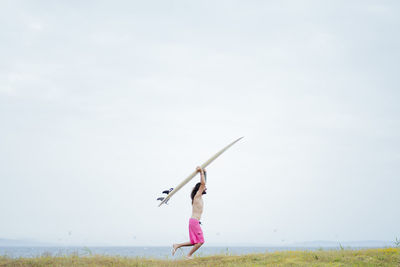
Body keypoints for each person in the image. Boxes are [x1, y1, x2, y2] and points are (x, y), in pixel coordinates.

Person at [172, 166, 207, 259]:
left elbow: (203, 184)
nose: (206, 188)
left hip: (193, 221)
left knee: (194, 242)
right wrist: (201, 173)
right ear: (200, 188)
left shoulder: (199, 196)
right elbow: (203, 184)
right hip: (194, 222)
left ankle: (177, 245)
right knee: (200, 241)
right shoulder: (197, 196)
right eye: (204, 187)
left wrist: (205, 172)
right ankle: (189, 255)